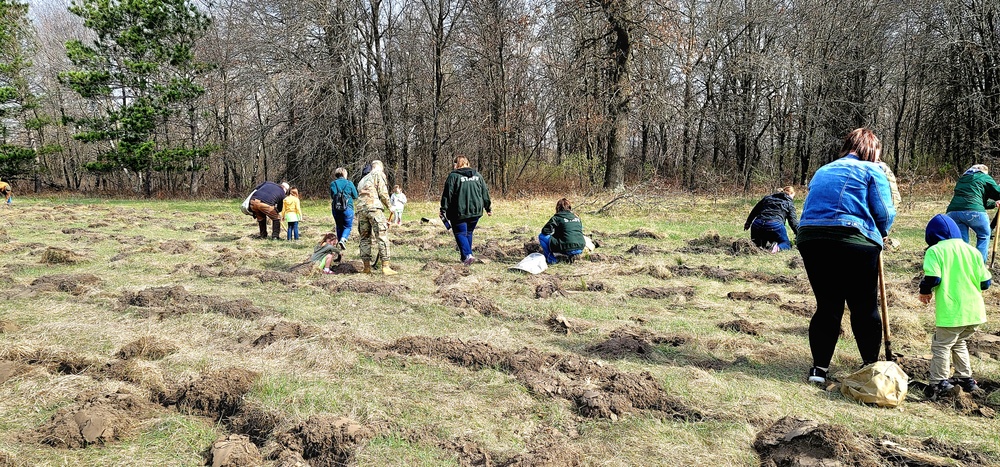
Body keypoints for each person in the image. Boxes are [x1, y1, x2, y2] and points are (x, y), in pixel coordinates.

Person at [797, 128, 896, 385]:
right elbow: (884, 212)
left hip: (812, 239)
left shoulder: (823, 170)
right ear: (871, 149)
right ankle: (869, 367)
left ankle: (819, 370)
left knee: (828, 306)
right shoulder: (873, 170)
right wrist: (882, 233)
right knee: (863, 306)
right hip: (854, 239)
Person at [918, 214, 990, 398]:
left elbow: (934, 278)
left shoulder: (935, 251)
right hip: (974, 312)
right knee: (959, 342)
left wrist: (924, 290)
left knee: (941, 345)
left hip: (952, 312)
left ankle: (939, 382)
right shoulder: (972, 251)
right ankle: (965, 378)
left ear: (932, 236)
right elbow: (986, 283)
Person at [440, 155, 492, 265]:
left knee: (460, 233)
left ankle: (468, 255)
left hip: (459, 211)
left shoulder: (453, 176)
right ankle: (465, 258)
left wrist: (443, 208)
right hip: (476, 211)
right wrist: (488, 207)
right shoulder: (477, 175)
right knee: (468, 233)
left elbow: (447, 194)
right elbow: (485, 192)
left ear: (456, 164)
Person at [945, 164, 1000, 263]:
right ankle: (978, 266)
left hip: (953, 213)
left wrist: (994, 204)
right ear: (984, 172)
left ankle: (963, 266)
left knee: (961, 242)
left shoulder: (962, 179)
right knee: (984, 235)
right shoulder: (984, 177)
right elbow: (997, 193)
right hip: (974, 212)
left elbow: (977, 200)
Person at [356, 160, 396, 275]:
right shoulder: (377, 174)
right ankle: (386, 267)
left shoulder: (362, 180)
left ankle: (366, 267)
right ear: (380, 168)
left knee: (364, 239)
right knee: (382, 236)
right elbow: (383, 192)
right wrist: (390, 206)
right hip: (374, 209)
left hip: (361, 210)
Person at [744, 186, 799, 252]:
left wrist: (748, 222)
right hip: (774, 225)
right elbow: (793, 222)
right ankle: (775, 248)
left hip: (757, 224)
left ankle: (759, 246)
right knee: (786, 244)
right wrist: (799, 234)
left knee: (757, 245)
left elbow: (755, 210)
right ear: (791, 194)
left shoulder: (767, 198)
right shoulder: (789, 203)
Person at [538, 198, 586, 264]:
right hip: (581, 246)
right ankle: (572, 256)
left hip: (567, 247)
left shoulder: (557, 217)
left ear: (558, 208)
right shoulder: (577, 217)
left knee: (542, 236)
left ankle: (551, 260)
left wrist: (553, 233)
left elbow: (545, 231)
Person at [330, 168, 359, 250]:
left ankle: (339, 244)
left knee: (339, 226)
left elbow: (332, 196)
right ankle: (343, 239)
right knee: (347, 226)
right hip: (348, 207)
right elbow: (355, 195)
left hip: (336, 208)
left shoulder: (333, 183)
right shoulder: (349, 183)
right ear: (345, 174)